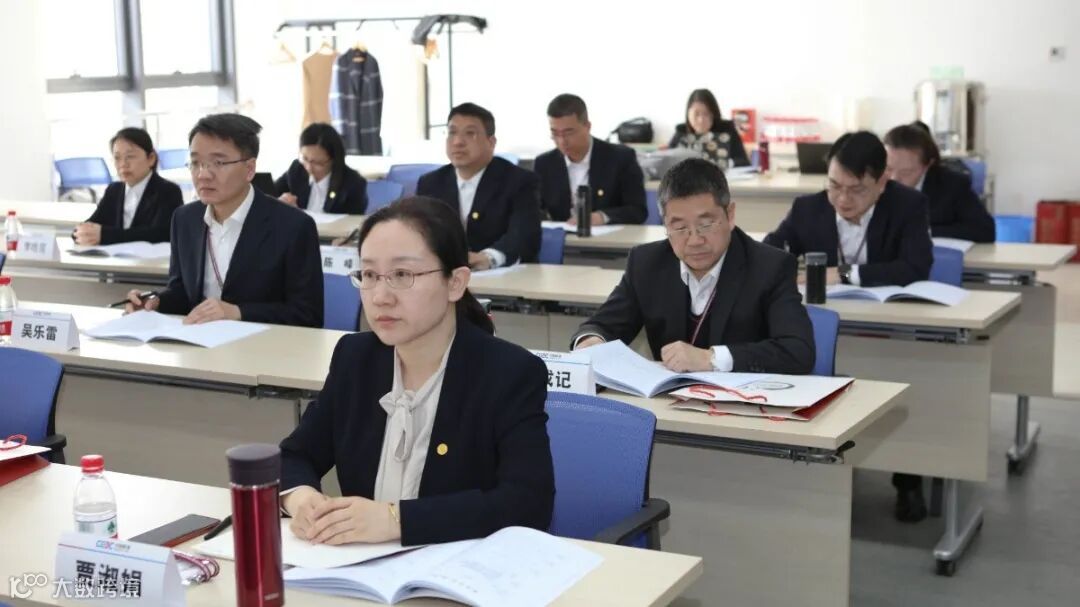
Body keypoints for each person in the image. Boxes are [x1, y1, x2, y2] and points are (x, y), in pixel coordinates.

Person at [278, 196, 554, 546]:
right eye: (369, 275)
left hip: (456, 565)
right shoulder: (355, 358)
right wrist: (300, 498)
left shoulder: (508, 373)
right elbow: (294, 455)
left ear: (455, 282)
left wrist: (397, 520)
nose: (380, 296)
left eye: (402, 275)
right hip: (361, 565)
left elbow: (528, 504)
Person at [572, 158, 814, 375]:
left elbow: (798, 351)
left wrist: (712, 359)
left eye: (706, 225)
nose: (695, 240)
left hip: (743, 405)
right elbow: (602, 325)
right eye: (679, 228)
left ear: (730, 215)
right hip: (668, 405)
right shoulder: (647, 263)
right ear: (665, 225)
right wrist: (591, 342)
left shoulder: (770, 267)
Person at [124, 113, 324, 327]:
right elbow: (182, 293)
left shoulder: (293, 226)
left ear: (249, 169)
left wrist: (238, 312)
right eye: (195, 163)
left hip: (263, 344)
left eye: (218, 163)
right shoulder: (184, 219)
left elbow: (308, 314)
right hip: (200, 342)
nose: (203, 175)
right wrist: (155, 302)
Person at [763, 131, 933, 288]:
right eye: (834, 185)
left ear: (881, 183)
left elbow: (915, 268)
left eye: (856, 190)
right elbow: (769, 253)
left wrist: (844, 273)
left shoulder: (908, 206)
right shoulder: (808, 209)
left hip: (885, 308)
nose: (843, 199)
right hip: (824, 305)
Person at [416, 103, 542, 270]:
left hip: (502, 277)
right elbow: (420, 235)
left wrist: (489, 258)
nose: (458, 142)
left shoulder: (519, 181)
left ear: (491, 142)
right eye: (452, 132)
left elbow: (524, 235)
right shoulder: (431, 183)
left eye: (470, 133)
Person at [533, 94, 647, 225]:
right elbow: (535, 210)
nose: (562, 141)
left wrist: (602, 217)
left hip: (609, 236)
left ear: (587, 126)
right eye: (555, 133)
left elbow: (638, 210)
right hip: (562, 236)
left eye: (568, 133)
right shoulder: (544, 164)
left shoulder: (621, 158)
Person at [884, 122, 995, 242]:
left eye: (906, 172)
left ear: (927, 166)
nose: (894, 179)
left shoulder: (952, 185)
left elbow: (985, 230)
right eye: (888, 169)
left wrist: (923, 231)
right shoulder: (873, 180)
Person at [74, 128, 183, 245]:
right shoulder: (114, 190)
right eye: (117, 158)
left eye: (130, 156)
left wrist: (105, 235)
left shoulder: (168, 191)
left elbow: (160, 234)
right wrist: (81, 232)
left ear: (151, 158)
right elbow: (92, 223)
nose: (123, 164)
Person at [274, 122, 369, 215]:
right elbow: (271, 194)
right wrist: (280, 201)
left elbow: (355, 220)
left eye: (317, 163)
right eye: (305, 159)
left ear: (334, 159)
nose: (309, 167)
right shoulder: (297, 169)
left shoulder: (353, 183)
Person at [668, 89, 750, 168]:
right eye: (696, 114)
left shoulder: (727, 129)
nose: (701, 120)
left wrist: (725, 163)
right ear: (688, 114)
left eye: (706, 113)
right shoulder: (681, 132)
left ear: (714, 113)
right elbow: (666, 160)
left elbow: (743, 161)